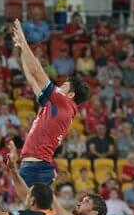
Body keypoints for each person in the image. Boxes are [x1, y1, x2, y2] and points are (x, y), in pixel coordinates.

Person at [11, 19, 90, 185]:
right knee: (37, 209)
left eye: (64, 86)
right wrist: (21, 50)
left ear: (71, 94)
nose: (59, 87)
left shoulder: (64, 103)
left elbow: (37, 72)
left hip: (35, 166)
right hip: (39, 165)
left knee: (25, 208)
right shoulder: (56, 106)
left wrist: (24, 42)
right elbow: (32, 80)